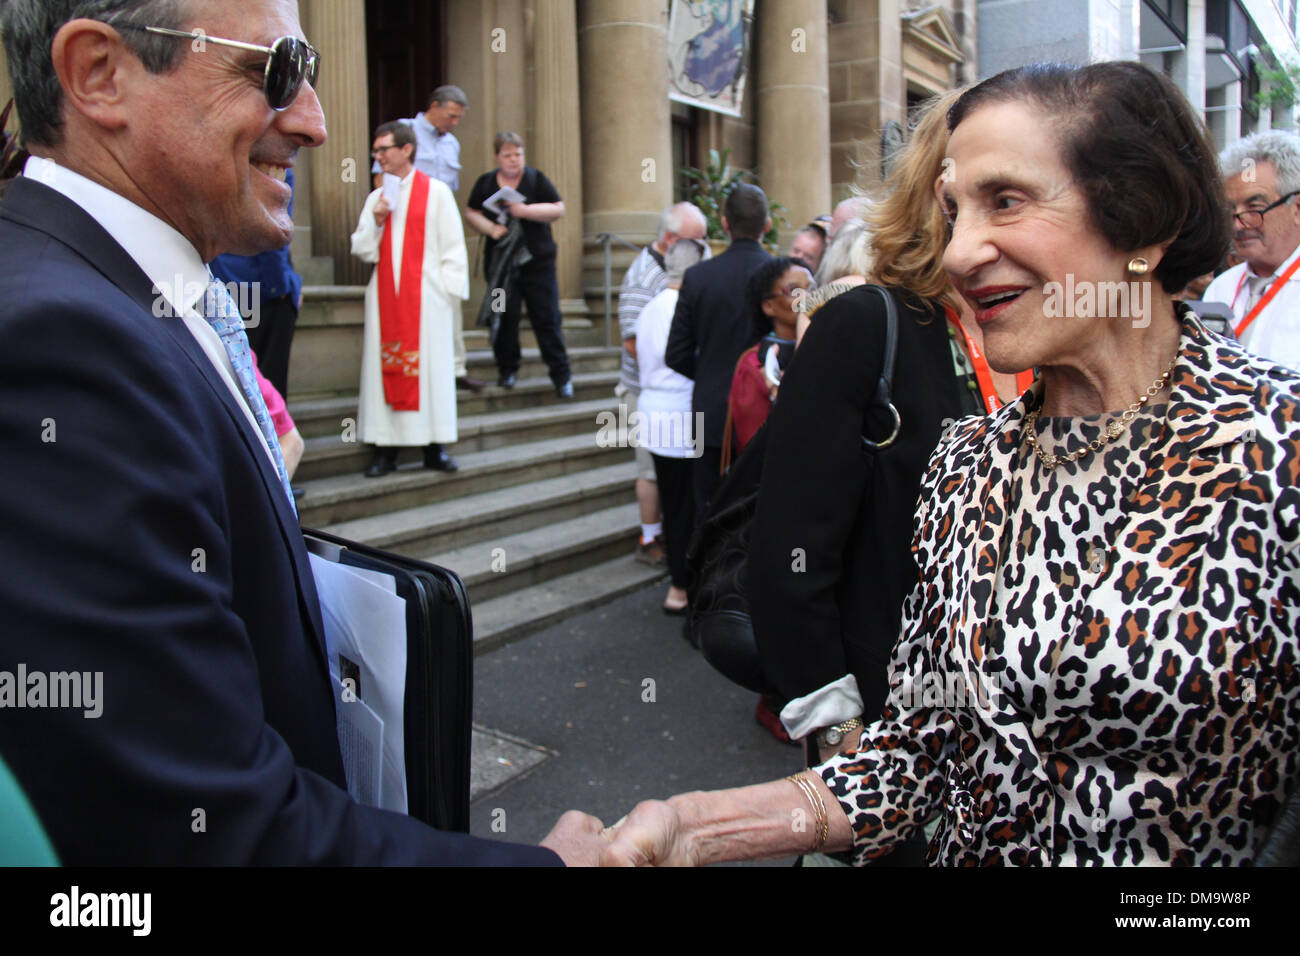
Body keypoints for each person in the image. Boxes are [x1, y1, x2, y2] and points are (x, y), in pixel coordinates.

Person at [601, 61, 1299, 867]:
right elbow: (918, 761)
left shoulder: (1275, 450)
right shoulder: (969, 467)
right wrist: (693, 829)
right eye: (951, 210)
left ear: (1143, 218)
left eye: (1005, 200)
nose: (963, 250)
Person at [0, 0, 604, 866]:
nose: (318, 123)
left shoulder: (142, 296)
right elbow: (202, 832)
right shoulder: (57, 346)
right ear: (100, 73)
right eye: (275, 70)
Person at [352, 121, 465, 477]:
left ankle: (436, 447)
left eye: (384, 149)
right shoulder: (376, 198)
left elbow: (453, 248)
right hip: (385, 301)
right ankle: (385, 450)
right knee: (384, 369)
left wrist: (446, 297)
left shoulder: (437, 193)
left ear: (406, 150)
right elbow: (363, 250)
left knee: (431, 373)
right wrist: (377, 221)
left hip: (427, 302)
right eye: (376, 151)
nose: (379, 157)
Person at [665, 183, 772, 518]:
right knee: (760, 511)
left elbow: (676, 353)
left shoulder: (698, 277)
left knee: (708, 512)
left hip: (709, 412)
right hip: (766, 413)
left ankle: (705, 571)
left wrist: (711, 370)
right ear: (767, 225)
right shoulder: (784, 274)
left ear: (724, 224)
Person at [368, 84, 481, 391]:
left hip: (439, 223)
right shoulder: (403, 132)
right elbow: (383, 176)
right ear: (434, 106)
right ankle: (412, 368)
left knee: (450, 294)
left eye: (459, 118)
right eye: (451, 115)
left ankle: (456, 368)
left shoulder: (452, 143)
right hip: (407, 224)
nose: (455, 123)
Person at [618, 202, 709, 566]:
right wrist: (676, 366)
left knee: (668, 476)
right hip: (646, 390)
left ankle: (675, 539)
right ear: (672, 239)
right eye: (696, 240)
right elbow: (631, 341)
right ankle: (650, 538)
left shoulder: (673, 272)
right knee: (650, 471)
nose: (702, 248)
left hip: (663, 391)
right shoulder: (643, 276)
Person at [465, 132, 573, 397]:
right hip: (502, 270)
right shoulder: (486, 183)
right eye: (508, 155)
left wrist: (526, 212)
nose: (514, 160)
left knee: (546, 319)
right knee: (504, 317)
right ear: (497, 157)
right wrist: (490, 228)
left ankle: (561, 377)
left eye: (518, 154)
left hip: (537, 266)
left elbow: (558, 209)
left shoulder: (536, 179)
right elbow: (471, 211)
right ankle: (507, 370)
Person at [636, 239, 708, 614]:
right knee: (687, 507)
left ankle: (679, 583)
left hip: (655, 413)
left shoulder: (650, 308)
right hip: (681, 414)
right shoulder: (683, 306)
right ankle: (682, 585)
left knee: (674, 502)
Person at [1203, 131, 1300, 369]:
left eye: (1254, 208)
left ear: (1296, 208)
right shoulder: (1221, 289)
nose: (1238, 224)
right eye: (1231, 211)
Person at [211, 166, 303, 399]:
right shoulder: (273, 166)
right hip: (263, 293)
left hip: (222, 288)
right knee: (269, 389)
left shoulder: (216, 160)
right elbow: (274, 231)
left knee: (233, 387)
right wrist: (281, 287)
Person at [726, 256, 811, 458]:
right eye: (794, 291)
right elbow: (754, 444)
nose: (807, 297)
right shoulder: (753, 364)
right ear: (768, 306)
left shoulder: (820, 348)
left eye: (812, 287)